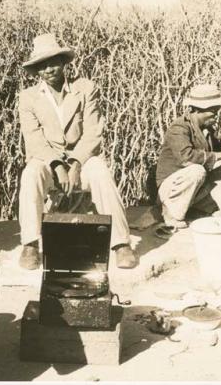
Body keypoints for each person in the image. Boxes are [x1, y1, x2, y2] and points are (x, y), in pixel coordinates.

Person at [17, 33, 135, 270]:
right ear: (36, 71)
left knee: (101, 172)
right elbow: (34, 140)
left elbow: (93, 133)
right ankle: (30, 243)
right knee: (31, 174)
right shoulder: (28, 97)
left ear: (64, 62)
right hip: (47, 160)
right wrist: (57, 165)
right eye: (42, 65)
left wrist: (76, 163)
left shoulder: (86, 89)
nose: (49, 69)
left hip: (82, 158)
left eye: (53, 62)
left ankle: (121, 244)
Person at [155, 84, 221, 239]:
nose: (216, 115)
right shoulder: (179, 127)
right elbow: (187, 158)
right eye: (212, 110)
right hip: (172, 190)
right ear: (196, 110)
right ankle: (172, 215)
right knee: (197, 170)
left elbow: (217, 147)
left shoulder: (206, 129)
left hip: (193, 189)